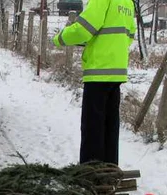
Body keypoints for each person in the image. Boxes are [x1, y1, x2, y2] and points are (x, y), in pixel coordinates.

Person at [51, 0, 136, 165]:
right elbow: (130, 35)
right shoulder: (127, 2)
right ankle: (109, 170)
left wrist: (59, 39)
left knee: (93, 129)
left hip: (98, 71)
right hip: (116, 72)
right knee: (110, 128)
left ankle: (92, 175)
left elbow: (83, 29)